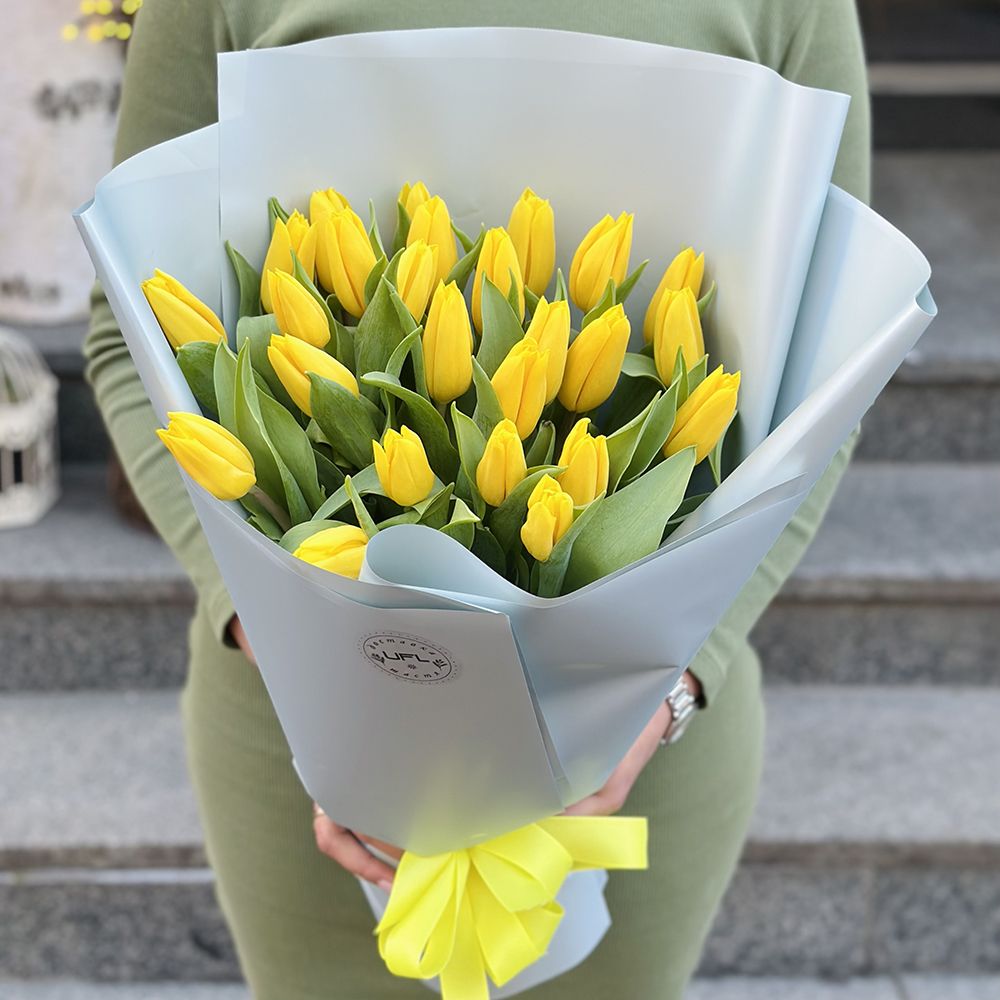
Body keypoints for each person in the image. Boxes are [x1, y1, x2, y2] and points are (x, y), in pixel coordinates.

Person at [85, 1, 870, 996]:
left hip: (644, 745)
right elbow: (127, 334)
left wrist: (669, 691)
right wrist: (299, 654)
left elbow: (829, 372)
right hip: (302, 740)